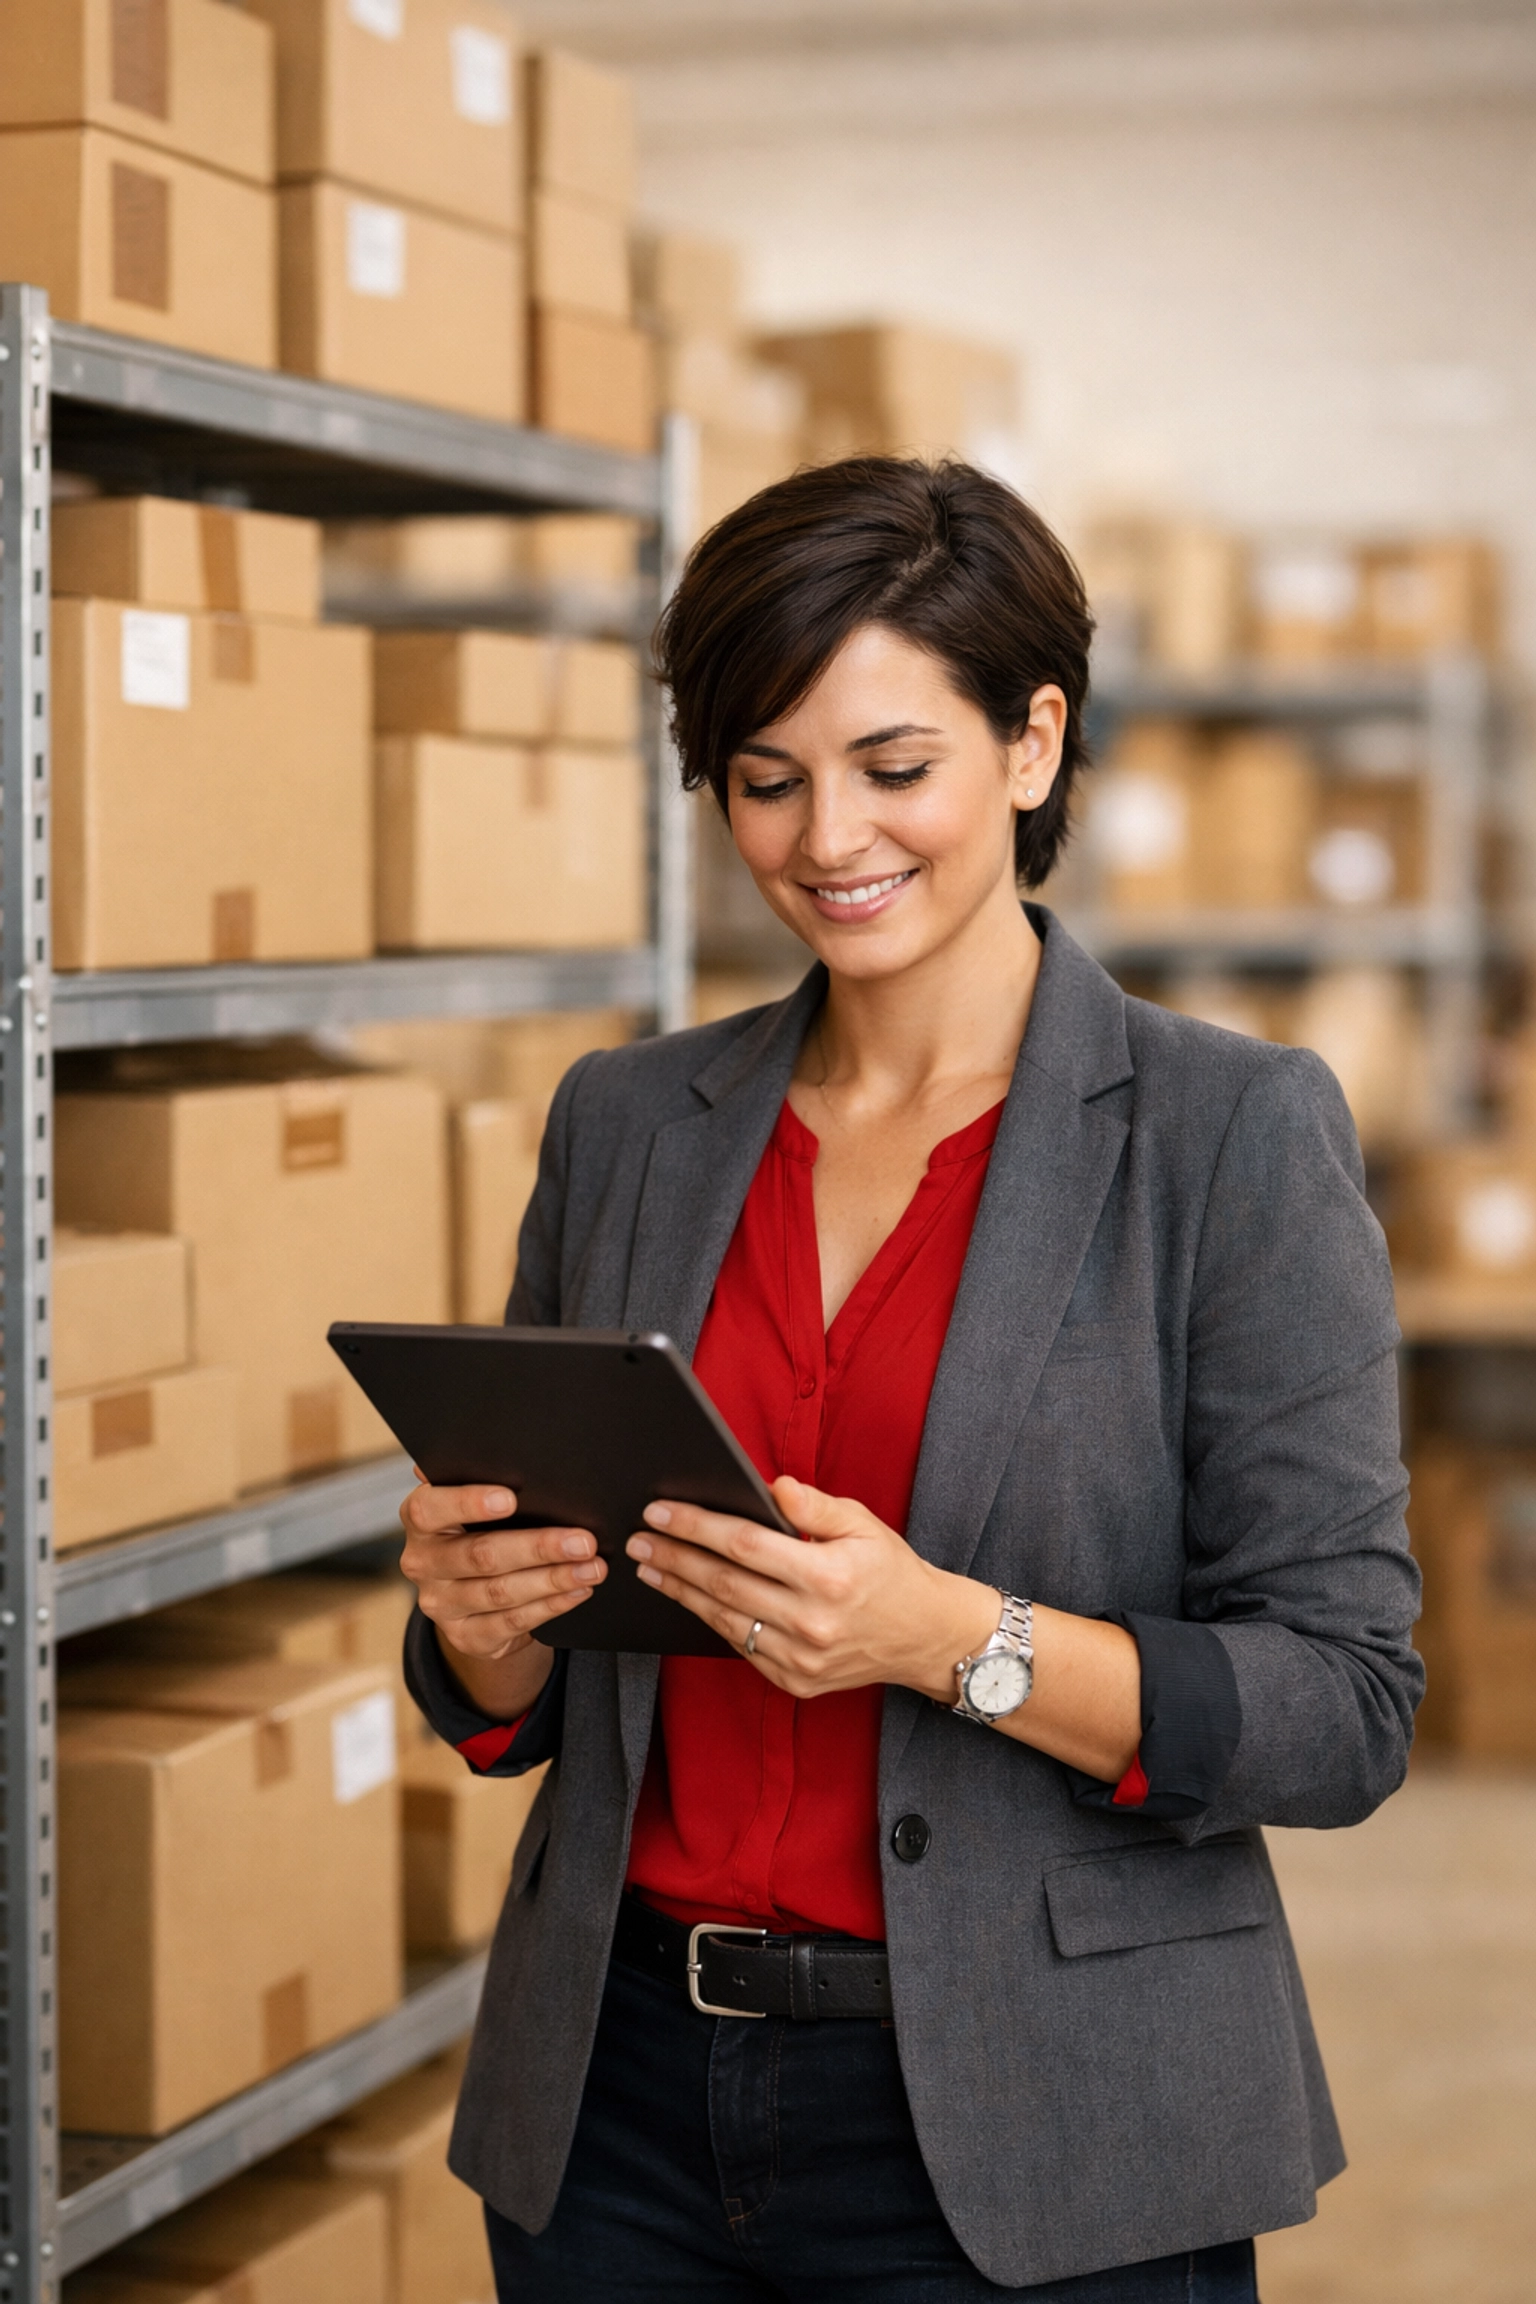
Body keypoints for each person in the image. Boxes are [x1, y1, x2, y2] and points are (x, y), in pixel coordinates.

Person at [399, 456, 1422, 2302]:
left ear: (1031, 744)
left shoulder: (1229, 1137)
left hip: (1045, 2117)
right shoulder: (628, 1124)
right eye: (765, 781)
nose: (826, 840)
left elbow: (1343, 1705)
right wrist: (488, 1622)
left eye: (894, 768)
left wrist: (948, 1635)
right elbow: (534, 1695)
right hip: (617, 2101)